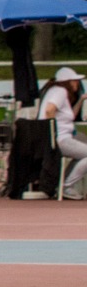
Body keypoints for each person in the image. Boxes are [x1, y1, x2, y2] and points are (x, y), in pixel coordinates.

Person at [40, 67, 87, 199]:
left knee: (81, 155)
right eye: (74, 81)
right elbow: (50, 110)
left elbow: (70, 116)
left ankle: (62, 184)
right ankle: (67, 186)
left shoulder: (57, 92)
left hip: (61, 137)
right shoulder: (59, 92)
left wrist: (81, 99)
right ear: (67, 81)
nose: (77, 84)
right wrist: (52, 133)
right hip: (60, 139)